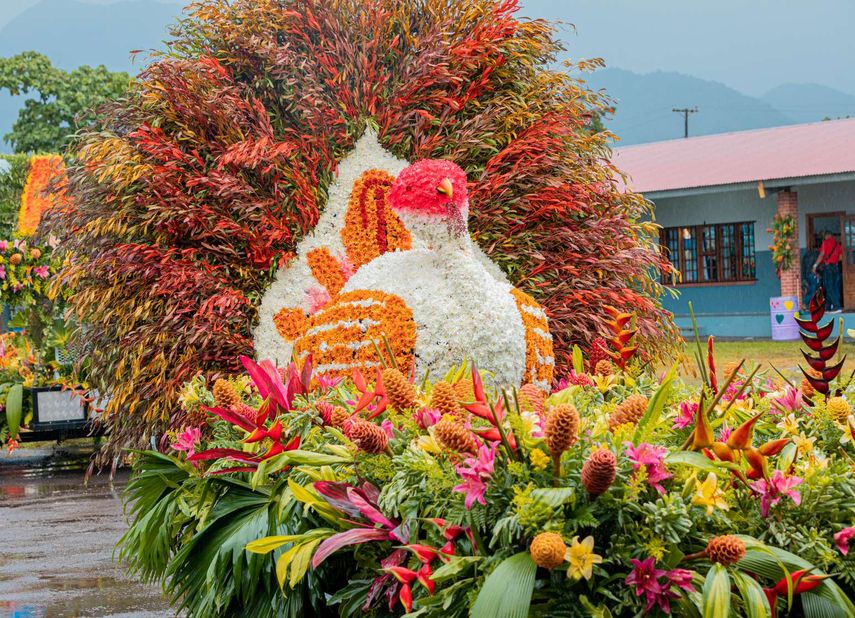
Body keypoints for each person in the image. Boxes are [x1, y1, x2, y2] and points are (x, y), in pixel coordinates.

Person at [813, 231, 843, 312]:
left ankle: (836, 306)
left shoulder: (825, 243)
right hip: (836, 267)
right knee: (835, 287)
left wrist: (815, 266)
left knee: (829, 287)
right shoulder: (837, 244)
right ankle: (828, 307)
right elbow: (841, 257)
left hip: (828, 267)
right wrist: (834, 259)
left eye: (824, 236)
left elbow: (821, 254)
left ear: (827, 235)